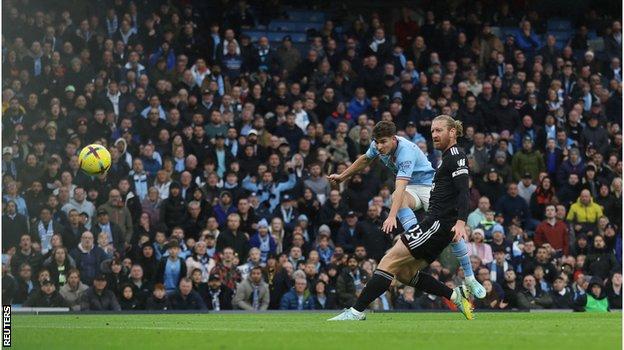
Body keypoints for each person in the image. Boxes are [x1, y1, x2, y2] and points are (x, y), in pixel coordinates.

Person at [329, 115, 478, 321]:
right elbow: (365, 158)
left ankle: (356, 312)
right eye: (432, 130)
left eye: (438, 130)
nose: (433, 134)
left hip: (434, 221)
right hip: (435, 222)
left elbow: (462, 191)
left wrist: (460, 221)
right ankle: (455, 295)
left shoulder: (441, 154)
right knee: (404, 273)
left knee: (389, 260)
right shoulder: (449, 155)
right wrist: (343, 176)